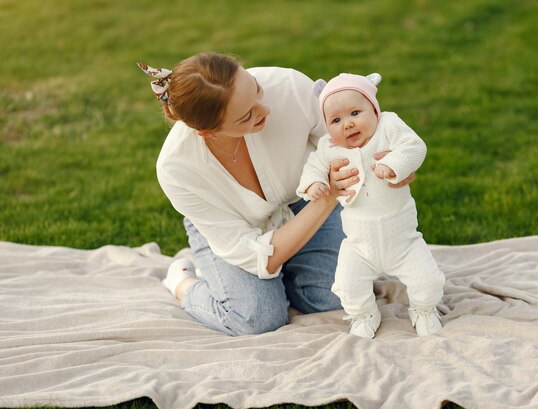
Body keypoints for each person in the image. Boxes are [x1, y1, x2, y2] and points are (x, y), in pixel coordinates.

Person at [137, 53, 415, 336]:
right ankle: (183, 284)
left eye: (256, 89)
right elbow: (258, 257)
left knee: (333, 297)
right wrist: (329, 197)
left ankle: (290, 275)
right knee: (257, 318)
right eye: (247, 115)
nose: (265, 109)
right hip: (238, 227)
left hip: (303, 196)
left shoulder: (290, 87)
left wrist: (394, 164)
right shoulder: (177, 169)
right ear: (208, 132)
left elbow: (356, 144)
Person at [296, 72, 446, 339]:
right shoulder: (329, 146)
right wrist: (314, 183)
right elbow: (314, 165)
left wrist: (393, 164)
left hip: (403, 240)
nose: (348, 125)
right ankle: (364, 314)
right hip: (359, 244)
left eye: (355, 112)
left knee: (428, 281)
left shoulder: (388, 126)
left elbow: (414, 147)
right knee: (347, 284)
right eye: (336, 120)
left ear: (374, 110)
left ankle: (424, 310)